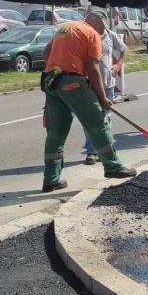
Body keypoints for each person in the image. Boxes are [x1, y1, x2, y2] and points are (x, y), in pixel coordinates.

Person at [40, 10, 136, 192]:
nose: (102, 32)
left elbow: (46, 53)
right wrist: (102, 98)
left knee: (56, 133)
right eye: (102, 27)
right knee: (98, 123)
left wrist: (59, 68)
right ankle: (113, 167)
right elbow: (93, 68)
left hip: (52, 82)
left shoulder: (65, 28)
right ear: (94, 20)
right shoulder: (92, 34)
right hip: (73, 84)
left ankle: (51, 179)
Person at [83, 25, 126, 164]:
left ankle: (106, 150)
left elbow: (123, 49)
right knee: (91, 119)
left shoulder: (110, 34)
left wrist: (118, 65)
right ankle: (91, 152)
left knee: (106, 119)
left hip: (107, 84)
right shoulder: (87, 35)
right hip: (89, 84)